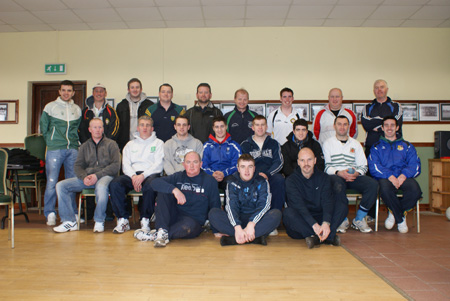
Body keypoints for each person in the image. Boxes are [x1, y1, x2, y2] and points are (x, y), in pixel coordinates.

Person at [133, 151, 221, 247]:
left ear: (201, 164)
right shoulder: (178, 177)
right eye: (188, 162)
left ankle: (158, 235)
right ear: (183, 164)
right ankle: (162, 231)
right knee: (164, 190)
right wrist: (174, 190)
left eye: (195, 162)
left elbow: (215, 206)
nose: (191, 165)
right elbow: (154, 182)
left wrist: (217, 229)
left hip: (192, 221)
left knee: (189, 227)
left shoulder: (209, 181)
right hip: (172, 216)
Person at [53, 118, 120, 233]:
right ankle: (69, 221)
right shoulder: (84, 146)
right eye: (95, 127)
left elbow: (115, 166)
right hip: (87, 178)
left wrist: (97, 176)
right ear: (90, 129)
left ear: (103, 129)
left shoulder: (112, 144)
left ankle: (99, 220)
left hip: (105, 176)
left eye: (100, 127)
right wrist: (84, 177)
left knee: (101, 188)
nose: (97, 130)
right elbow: (78, 166)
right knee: (61, 186)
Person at [209, 154, 281, 246]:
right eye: (243, 167)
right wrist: (237, 227)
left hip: (256, 221)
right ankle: (252, 237)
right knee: (213, 213)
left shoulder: (262, 181)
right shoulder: (231, 182)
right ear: (238, 168)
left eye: (250, 167)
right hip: (238, 219)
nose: (246, 171)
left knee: (276, 214)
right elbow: (231, 207)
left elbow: (264, 205)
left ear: (254, 168)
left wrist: (251, 224)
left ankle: (236, 238)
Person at [323, 115, 378, 233]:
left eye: (345, 124)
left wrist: (357, 173)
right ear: (334, 126)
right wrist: (339, 172)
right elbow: (327, 167)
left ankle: (359, 218)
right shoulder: (328, 143)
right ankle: (342, 218)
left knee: (373, 184)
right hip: (337, 176)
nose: (342, 127)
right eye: (339, 124)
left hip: (354, 176)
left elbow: (363, 165)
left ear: (348, 126)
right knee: (337, 185)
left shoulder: (356, 144)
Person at [109, 116, 164, 234]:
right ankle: (123, 220)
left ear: (152, 128)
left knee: (151, 185)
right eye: (142, 125)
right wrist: (134, 176)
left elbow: (158, 165)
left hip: (150, 174)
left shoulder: (159, 143)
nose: (145, 127)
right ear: (138, 127)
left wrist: (142, 176)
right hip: (132, 175)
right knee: (115, 184)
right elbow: (125, 165)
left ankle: (145, 220)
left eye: (148, 125)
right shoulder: (129, 145)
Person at [283, 148, 346, 248]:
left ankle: (318, 237)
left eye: (309, 159)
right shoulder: (291, 180)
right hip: (302, 221)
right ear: (298, 162)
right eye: (302, 160)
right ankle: (326, 237)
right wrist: (314, 225)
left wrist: (326, 223)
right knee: (287, 213)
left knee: (342, 205)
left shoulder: (324, 178)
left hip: (320, 217)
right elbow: (299, 206)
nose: (306, 163)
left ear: (315, 160)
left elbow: (327, 201)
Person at [368, 116, 422, 233]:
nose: (389, 128)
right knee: (385, 189)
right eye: (386, 125)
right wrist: (390, 176)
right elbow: (374, 167)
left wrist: (403, 176)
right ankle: (401, 219)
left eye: (392, 125)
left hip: (404, 176)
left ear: (397, 127)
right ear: (382, 128)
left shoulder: (407, 146)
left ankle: (394, 213)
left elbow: (415, 165)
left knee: (415, 190)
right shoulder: (376, 147)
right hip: (385, 178)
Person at [40, 80, 82, 226]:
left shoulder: (77, 109)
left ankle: (72, 213)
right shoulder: (50, 107)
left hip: (72, 149)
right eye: (63, 90)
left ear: (73, 92)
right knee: (52, 181)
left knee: (71, 182)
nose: (66, 93)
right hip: (55, 149)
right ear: (59, 91)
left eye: (69, 90)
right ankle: (50, 212)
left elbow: (78, 129)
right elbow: (44, 128)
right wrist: (51, 142)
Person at [240, 115, 285, 212]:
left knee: (279, 180)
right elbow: (243, 164)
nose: (260, 128)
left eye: (262, 125)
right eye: (257, 125)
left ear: (266, 127)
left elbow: (279, 162)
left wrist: (267, 174)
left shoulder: (274, 143)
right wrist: (255, 174)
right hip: (252, 176)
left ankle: (274, 216)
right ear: (253, 127)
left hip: (270, 175)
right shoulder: (245, 144)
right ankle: (253, 216)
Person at [361, 79, 403, 158]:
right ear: (374, 91)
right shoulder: (367, 107)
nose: (379, 90)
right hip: (371, 148)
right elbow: (366, 124)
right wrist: (385, 122)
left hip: (392, 147)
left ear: (387, 89)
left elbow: (396, 124)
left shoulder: (396, 106)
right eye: (376, 88)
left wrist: (377, 127)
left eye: (382, 87)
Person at [202, 116, 242, 193]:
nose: (219, 130)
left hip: (228, 176)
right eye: (217, 127)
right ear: (213, 128)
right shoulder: (206, 146)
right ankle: (213, 205)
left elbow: (238, 165)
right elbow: (203, 165)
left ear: (226, 127)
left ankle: (229, 205)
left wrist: (224, 173)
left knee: (231, 183)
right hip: (211, 175)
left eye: (222, 126)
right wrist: (213, 173)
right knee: (207, 183)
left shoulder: (234, 146)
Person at [116, 78, 154, 151]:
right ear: (128, 89)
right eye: (132, 87)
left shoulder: (149, 105)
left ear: (141, 89)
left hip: (145, 143)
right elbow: (118, 126)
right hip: (125, 143)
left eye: (137, 87)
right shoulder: (121, 106)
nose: (135, 90)